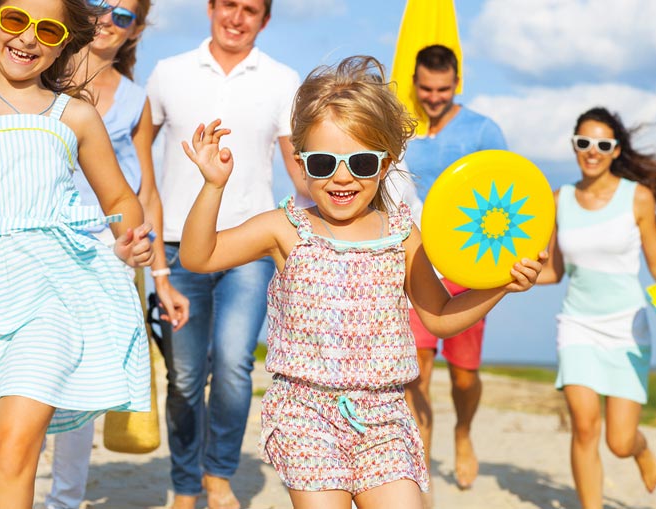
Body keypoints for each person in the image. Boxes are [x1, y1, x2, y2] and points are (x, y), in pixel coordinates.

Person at [179, 55, 545, 509]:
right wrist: (213, 185)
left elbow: (441, 316)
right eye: (322, 162)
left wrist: (501, 286)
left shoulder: (402, 233)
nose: (342, 176)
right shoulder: (285, 228)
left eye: (362, 162)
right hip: (306, 415)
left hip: (385, 418)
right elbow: (199, 256)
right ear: (300, 161)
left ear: (386, 162)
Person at [0, 1, 156, 507]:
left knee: (14, 450)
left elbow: (121, 199)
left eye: (48, 28)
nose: (28, 38)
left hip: (55, 296)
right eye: (17, 20)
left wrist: (131, 239)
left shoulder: (76, 115)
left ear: (65, 40)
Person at [145, 1, 303, 507]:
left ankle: (217, 475)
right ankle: (185, 485)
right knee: (186, 376)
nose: (237, 18)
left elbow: (299, 168)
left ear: (265, 20)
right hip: (176, 244)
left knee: (235, 365)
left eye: (250, 9)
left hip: (249, 248)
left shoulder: (283, 79)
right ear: (211, 8)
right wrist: (146, 226)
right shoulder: (168, 73)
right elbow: (135, 148)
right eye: (228, 5)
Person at [42, 1, 190, 508]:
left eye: (123, 15)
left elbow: (145, 190)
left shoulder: (134, 99)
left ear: (136, 30)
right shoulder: (42, 70)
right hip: (41, 240)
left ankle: (64, 500)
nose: (108, 19)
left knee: (80, 380)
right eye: (100, 6)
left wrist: (163, 275)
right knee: (29, 369)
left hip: (109, 251)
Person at [538, 107, 656, 509]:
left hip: (627, 327)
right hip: (577, 325)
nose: (592, 151)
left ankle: (641, 450)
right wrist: (502, 278)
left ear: (615, 151)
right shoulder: (559, 200)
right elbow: (554, 271)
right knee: (584, 425)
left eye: (603, 144)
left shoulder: (637, 197)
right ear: (574, 146)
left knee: (620, 441)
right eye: (584, 143)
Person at [400, 44, 508, 495]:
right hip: (416, 260)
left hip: (470, 262)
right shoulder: (403, 130)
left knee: (464, 375)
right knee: (417, 367)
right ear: (416, 83)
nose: (433, 97)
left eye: (443, 89)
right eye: (425, 88)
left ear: (457, 83)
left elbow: (506, 198)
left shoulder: (483, 130)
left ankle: (463, 431)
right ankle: (420, 470)